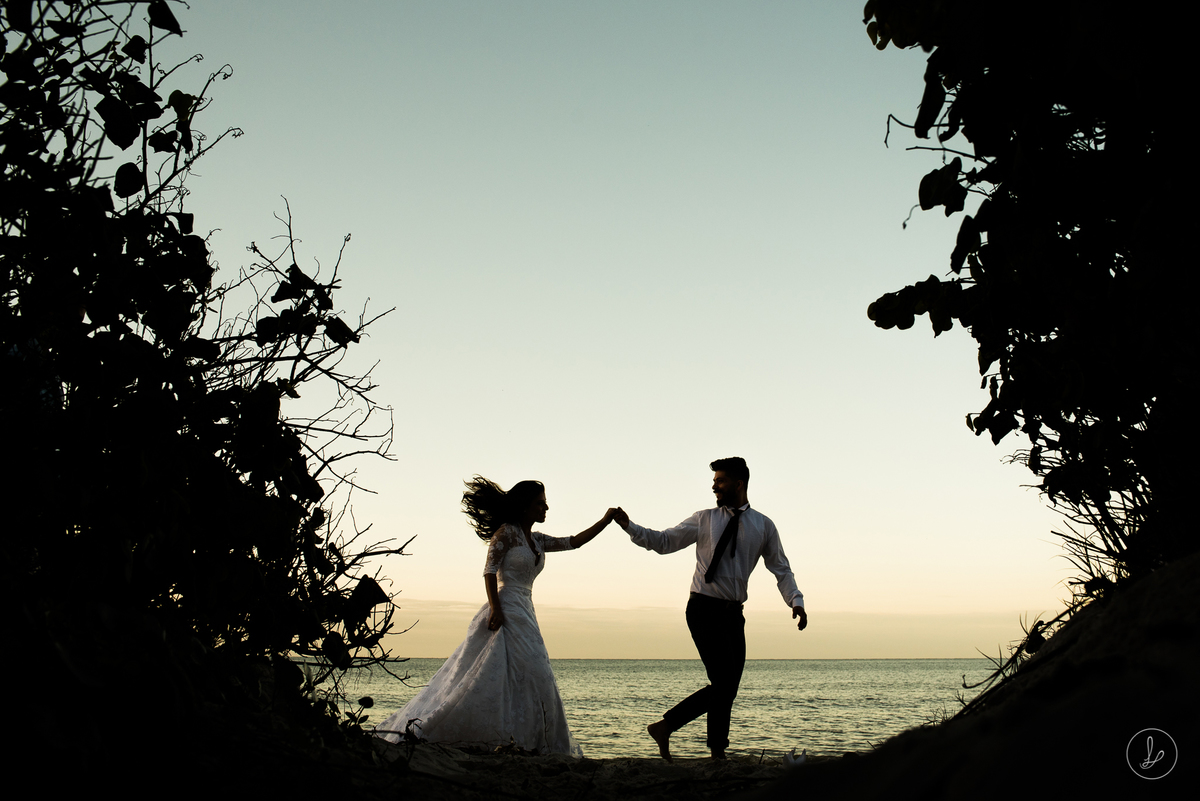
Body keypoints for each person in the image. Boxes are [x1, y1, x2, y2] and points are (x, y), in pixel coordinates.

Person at [375, 477, 614, 756]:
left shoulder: (536, 540)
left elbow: (573, 542)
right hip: (506, 606)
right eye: (540, 503)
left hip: (526, 608)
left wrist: (606, 520)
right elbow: (489, 572)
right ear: (525, 506)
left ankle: (528, 738)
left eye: (545, 502)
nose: (546, 507)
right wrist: (496, 609)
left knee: (533, 673)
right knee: (507, 670)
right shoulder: (506, 533)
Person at [613, 457, 807, 761]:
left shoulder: (764, 525)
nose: (714, 485)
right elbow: (664, 541)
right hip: (703, 608)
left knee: (727, 688)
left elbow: (781, 569)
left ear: (738, 483)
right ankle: (668, 727)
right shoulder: (704, 519)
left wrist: (796, 601)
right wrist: (630, 527)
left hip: (733, 613)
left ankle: (715, 752)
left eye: (720, 480)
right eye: (714, 480)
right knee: (725, 684)